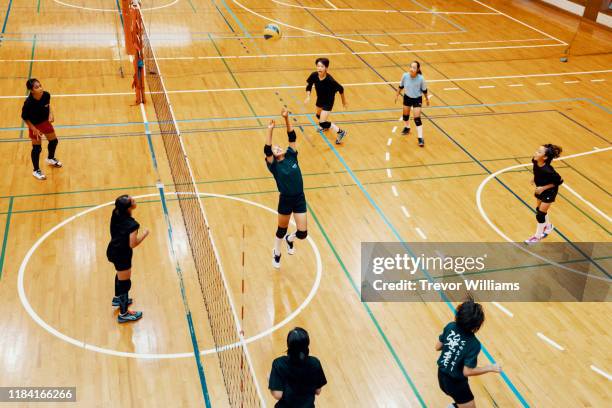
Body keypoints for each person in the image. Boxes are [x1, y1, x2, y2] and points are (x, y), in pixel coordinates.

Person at [436, 298, 501, 408]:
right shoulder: (473, 344)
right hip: (456, 384)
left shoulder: (450, 326)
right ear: (477, 325)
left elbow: (438, 347)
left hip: (441, 376)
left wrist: (454, 347)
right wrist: (491, 367)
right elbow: (467, 371)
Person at [265, 108, 308, 269]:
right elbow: (267, 150)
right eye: (275, 149)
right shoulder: (274, 166)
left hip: (299, 198)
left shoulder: (291, 154)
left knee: (303, 234)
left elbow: (292, 136)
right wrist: (270, 131)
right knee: (281, 230)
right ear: (274, 156)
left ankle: (291, 239)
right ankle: (277, 253)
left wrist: (286, 118)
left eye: (278, 147)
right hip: (286, 200)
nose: (277, 148)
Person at [106, 195, 148, 323]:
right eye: (132, 200)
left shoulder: (116, 213)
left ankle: (118, 299)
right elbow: (133, 244)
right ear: (129, 207)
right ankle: (124, 314)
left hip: (113, 249)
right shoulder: (132, 225)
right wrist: (144, 234)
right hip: (122, 255)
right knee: (125, 283)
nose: (135, 199)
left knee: (120, 276)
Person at [269, 327, 327, 407]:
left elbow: (277, 395)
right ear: (307, 344)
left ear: (288, 344)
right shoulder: (315, 363)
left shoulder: (279, 364)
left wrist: (271, 381)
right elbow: (318, 391)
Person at [21, 78, 62, 180]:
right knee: (37, 149)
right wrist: (33, 128)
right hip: (34, 125)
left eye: (40, 85)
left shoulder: (46, 95)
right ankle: (36, 170)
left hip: (44, 122)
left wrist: (51, 114)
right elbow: (24, 117)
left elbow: (48, 105)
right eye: (37, 87)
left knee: (54, 141)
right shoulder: (28, 103)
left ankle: (50, 158)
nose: (40, 88)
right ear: (31, 90)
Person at [525, 144, 563, 244]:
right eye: (537, 150)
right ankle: (549, 226)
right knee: (538, 210)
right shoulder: (535, 160)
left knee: (540, 215)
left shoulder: (549, 170)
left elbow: (559, 181)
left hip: (550, 191)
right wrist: (534, 177)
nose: (536, 153)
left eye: (539, 152)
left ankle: (537, 237)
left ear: (545, 157)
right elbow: (536, 170)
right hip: (540, 188)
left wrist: (543, 188)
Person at [305, 57, 348, 144]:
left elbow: (341, 89)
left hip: (328, 101)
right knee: (318, 115)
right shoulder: (314, 75)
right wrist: (308, 96)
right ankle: (326, 126)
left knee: (322, 122)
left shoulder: (330, 80)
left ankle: (341, 132)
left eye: (322, 66)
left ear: (326, 68)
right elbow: (309, 85)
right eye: (318, 66)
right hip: (320, 99)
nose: (319, 68)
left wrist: (343, 101)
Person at [395, 61, 429, 147]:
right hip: (407, 97)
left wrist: (427, 99)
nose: (411, 69)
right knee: (405, 116)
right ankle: (407, 127)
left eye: (414, 68)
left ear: (417, 69)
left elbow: (424, 90)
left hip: (417, 99)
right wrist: (397, 95)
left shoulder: (421, 78)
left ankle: (420, 138)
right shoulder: (405, 76)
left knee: (417, 119)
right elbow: (401, 86)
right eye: (411, 67)